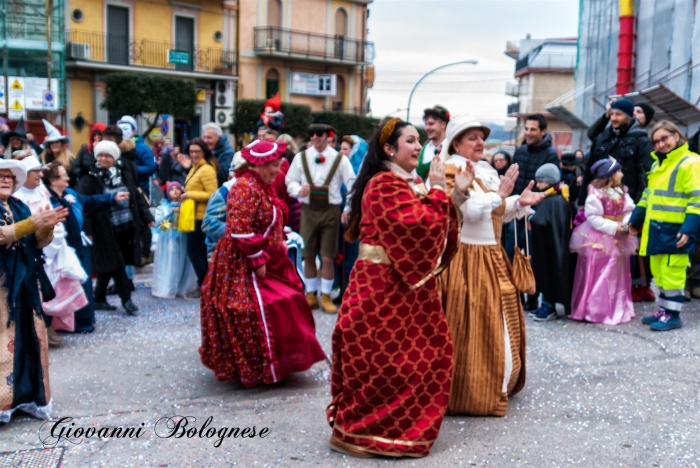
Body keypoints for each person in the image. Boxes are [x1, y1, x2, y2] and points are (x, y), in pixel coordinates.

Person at [327, 118, 467, 458]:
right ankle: (362, 432)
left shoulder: (408, 181)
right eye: (410, 141)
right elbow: (418, 226)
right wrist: (438, 189)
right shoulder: (384, 184)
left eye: (419, 140)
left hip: (409, 288)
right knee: (384, 360)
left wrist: (455, 194)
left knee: (428, 356)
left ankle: (401, 430)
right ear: (389, 148)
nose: (418, 147)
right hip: (382, 289)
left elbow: (433, 219)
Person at [436, 114, 543, 417]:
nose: (481, 142)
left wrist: (518, 203)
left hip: (491, 255)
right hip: (465, 259)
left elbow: (495, 211)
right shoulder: (451, 169)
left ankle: (498, 382)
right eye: (472, 137)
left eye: (482, 137)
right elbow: (466, 211)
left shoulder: (483, 170)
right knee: (470, 323)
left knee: (497, 320)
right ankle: (469, 389)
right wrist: (499, 197)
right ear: (456, 142)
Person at [199, 139, 326, 386]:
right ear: (260, 165)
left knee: (289, 299)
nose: (279, 170)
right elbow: (239, 230)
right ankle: (259, 367)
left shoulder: (259, 186)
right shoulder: (245, 187)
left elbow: (264, 220)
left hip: (266, 257)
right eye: (275, 165)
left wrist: (279, 235)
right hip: (242, 262)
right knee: (259, 307)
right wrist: (256, 259)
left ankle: (278, 363)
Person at [0, 158, 67, 423]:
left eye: (9, 177)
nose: (6, 180)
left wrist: (47, 225)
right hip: (2, 286)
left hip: (25, 282)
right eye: (1, 176)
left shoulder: (18, 205)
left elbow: (36, 242)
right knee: (4, 340)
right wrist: (33, 223)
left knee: (29, 339)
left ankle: (26, 397)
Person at [581, 98, 655, 302]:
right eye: (611, 114)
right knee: (599, 253)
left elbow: (645, 176)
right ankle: (598, 295)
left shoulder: (641, 139)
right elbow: (589, 172)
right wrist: (581, 200)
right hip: (599, 206)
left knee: (625, 252)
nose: (613, 118)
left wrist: (639, 210)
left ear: (629, 116)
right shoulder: (602, 137)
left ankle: (623, 294)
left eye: (618, 114)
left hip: (625, 208)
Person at [629, 121, 700, 331]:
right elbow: (647, 196)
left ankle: (673, 315)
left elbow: (696, 200)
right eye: (656, 141)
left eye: (664, 138)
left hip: (676, 229)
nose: (660, 144)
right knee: (659, 272)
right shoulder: (657, 165)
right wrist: (636, 218)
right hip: (657, 229)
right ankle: (664, 310)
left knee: (673, 274)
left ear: (676, 136)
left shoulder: (690, 162)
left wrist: (689, 229)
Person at [42, 161, 128, 332]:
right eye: (63, 175)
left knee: (83, 282)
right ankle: (62, 323)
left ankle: (83, 321)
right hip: (59, 247)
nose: (67, 178)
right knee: (63, 284)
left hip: (78, 244)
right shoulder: (46, 199)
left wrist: (111, 198)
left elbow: (89, 201)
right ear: (52, 180)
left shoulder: (70, 194)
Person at [285, 116, 356, 313]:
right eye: (312, 134)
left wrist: (349, 208)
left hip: (330, 211)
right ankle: (310, 294)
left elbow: (353, 186)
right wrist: (299, 190)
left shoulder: (340, 159)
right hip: (308, 211)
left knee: (327, 257)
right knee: (307, 255)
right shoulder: (301, 157)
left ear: (328, 136)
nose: (315, 137)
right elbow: (289, 180)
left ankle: (325, 296)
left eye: (320, 134)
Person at [76, 140, 154, 315]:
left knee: (111, 261)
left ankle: (99, 298)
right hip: (102, 229)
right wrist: (87, 230)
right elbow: (84, 206)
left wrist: (146, 217)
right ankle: (126, 300)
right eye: (100, 155)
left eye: (107, 155)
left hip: (125, 226)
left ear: (114, 157)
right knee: (117, 264)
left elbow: (136, 196)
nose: (103, 159)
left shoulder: (124, 173)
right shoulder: (88, 178)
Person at [570, 158, 637, 324]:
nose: (622, 174)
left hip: (619, 237)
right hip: (600, 238)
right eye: (619, 171)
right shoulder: (595, 195)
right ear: (610, 175)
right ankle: (595, 308)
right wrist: (614, 227)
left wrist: (626, 223)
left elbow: (630, 209)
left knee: (617, 273)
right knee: (600, 272)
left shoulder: (622, 192)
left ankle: (616, 305)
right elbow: (592, 217)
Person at [507, 113, 559, 310]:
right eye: (526, 129)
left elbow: (551, 186)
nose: (528, 133)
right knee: (512, 253)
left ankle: (531, 297)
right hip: (516, 210)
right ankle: (514, 296)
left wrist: (534, 212)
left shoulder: (551, 154)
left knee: (532, 256)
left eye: (533, 129)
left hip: (535, 215)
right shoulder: (519, 151)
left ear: (543, 131)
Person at [13, 156, 63, 346]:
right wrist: (35, 223)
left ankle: (40, 334)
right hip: (12, 261)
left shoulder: (31, 198)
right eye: (36, 171)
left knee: (35, 299)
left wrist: (48, 227)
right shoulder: (17, 200)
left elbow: (39, 239)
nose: (40, 175)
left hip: (32, 257)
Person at [529, 163, 573, 321]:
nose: (538, 185)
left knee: (548, 275)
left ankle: (548, 307)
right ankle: (547, 306)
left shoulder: (552, 200)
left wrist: (530, 217)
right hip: (550, 245)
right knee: (547, 275)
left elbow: (541, 221)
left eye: (541, 181)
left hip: (549, 248)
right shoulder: (557, 197)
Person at [181, 138, 218, 297]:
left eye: (197, 151)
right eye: (191, 151)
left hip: (200, 217)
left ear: (204, 152)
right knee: (199, 252)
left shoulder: (206, 169)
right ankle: (205, 285)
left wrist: (189, 195)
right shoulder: (196, 167)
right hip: (193, 214)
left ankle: (204, 285)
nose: (194, 154)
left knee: (194, 253)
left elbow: (212, 193)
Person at [152, 182, 197, 298]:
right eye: (172, 189)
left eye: (178, 188)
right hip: (168, 239)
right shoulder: (163, 207)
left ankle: (182, 286)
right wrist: (171, 215)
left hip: (182, 237)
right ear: (168, 192)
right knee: (169, 262)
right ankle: (167, 287)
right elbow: (161, 226)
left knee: (181, 261)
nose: (175, 191)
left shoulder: (186, 205)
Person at [116, 116, 157, 197]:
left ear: (133, 131)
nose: (123, 132)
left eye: (126, 129)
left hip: (140, 189)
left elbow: (151, 168)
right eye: (120, 130)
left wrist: (131, 168)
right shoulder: (115, 146)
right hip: (120, 189)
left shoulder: (143, 148)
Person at [588, 99, 656, 143]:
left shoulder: (644, 141)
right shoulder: (616, 132)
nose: (634, 113)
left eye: (639, 112)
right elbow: (593, 135)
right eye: (633, 110)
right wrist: (607, 115)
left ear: (646, 118)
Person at [416, 105, 450, 180]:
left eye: (431, 124)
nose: (427, 128)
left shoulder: (454, 148)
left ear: (443, 125)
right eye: (426, 124)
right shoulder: (422, 150)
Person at [72, 123, 106, 187]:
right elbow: (74, 168)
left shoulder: (107, 151)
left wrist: (96, 151)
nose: (96, 137)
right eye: (94, 135)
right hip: (85, 183)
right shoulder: (84, 149)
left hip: (101, 183)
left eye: (99, 134)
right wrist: (83, 174)